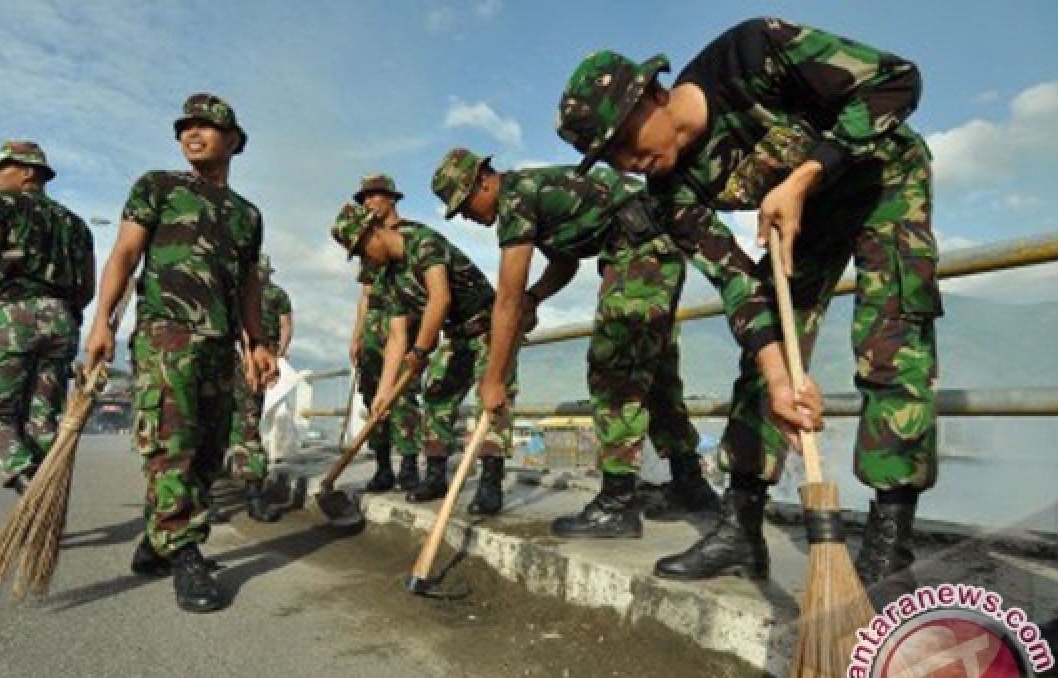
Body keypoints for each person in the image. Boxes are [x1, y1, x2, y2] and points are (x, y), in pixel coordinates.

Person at [555, 17, 936, 586]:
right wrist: (780, 375)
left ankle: (889, 548)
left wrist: (807, 174)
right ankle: (741, 528)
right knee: (764, 365)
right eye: (607, 157)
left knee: (891, 348)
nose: (624, 163)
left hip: (881, 183)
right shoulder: (668, 191)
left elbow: (897, 81)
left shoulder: (754, 52)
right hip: (801, 217)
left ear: (655, 96)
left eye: (622, 142)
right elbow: (737, 282)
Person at [433, 147, 719, 539]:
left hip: (638, 252)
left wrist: (494, 378)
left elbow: (507, 298)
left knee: (614, 370)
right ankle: (690, 485)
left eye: (465, 206)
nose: (468, 217)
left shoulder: (515, 198)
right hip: (653, 249)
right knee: (655, 377)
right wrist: (538, 297)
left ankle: (618, 504)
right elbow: (564, 262)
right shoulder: (536, 193)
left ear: (483, 182)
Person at [85, 93, 275, 613]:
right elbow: (124, 254)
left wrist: (257, 342)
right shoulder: (158, 187)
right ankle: (186, 553)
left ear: (234, 140)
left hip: (220, 342)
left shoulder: (246, 215)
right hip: (166, 334)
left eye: (206, 126)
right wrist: (101, 321)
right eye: (185, 127)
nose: (192, 133)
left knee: (212, 450)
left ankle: (156, 540)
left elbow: (249, 288)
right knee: (173, 443)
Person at [331, 203, 513, 514]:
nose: (364, 259)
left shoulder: (422, 243)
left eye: (362, 250)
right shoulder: (389, 276)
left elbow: (440, 298)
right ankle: (436, 476)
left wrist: (420, 350)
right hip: (457, 333)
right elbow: (397, 336)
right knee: (436, 396)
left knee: (491, 398)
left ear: (375, 231)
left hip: (491, 326)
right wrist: (385, 391)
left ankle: (490, 485)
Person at [0, 141, 93, 484]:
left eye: (4, 166)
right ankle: (44, 494)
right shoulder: (76, 224)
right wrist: (61, 312)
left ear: (29, 173)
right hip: (62, 320)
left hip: (14, 315)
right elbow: (88, 288)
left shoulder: (2, 203)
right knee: (42, 418)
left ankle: (22, 472)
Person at [349, 174, 424, 492]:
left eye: (374, 196)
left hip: (405, 323)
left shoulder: (412, 234)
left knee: (404, 394)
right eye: (364, 198)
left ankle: (408, 466)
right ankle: (382, 467)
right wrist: (356, 334)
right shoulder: (367, 240)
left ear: (392, 198)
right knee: (372, 396)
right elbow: (366, 292)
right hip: (374, 327)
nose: (367, 203)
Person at [227, 253, 293, 520]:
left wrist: (274, 354)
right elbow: (283, 325)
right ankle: (252, 498)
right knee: (245, 423)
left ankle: (212, 501)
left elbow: (285, 324)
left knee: (240, 423)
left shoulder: (269, 294)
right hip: (247, 359)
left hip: (250, 358)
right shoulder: (250, 292)